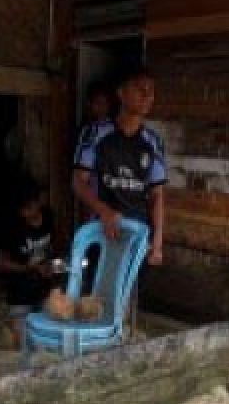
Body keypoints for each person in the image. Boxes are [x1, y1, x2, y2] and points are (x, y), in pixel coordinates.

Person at [71, 66, 166, 266]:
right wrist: (103, 211)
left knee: (127, 293)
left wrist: (156, 241)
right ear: (121, 93)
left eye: (151, 91)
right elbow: (78, 182)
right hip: (100, 230)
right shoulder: (95, 133)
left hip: (136, 234)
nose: (147, 95)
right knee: (96, 293)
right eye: (140, 88)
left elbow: (158, 194)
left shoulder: (153, 142)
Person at [0, 187, 57, 344]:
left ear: (39, 203)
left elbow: (57, 246)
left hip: (45, 290)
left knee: (47, 341)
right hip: (19, 294)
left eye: (29, 208)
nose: (25, 213)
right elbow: (1, 264)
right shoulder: (12, 227)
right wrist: (28, 268)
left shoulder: (49, 217)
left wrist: (52, 266)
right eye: (23, 210)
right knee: (21, 343)